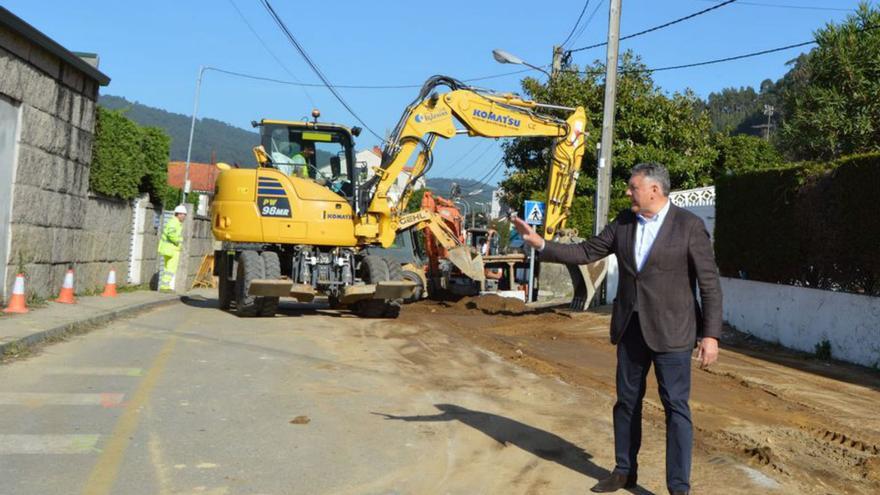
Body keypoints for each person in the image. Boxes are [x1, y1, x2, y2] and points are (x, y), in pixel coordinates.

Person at [513, 163, 722, 495]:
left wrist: (710, 335)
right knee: (626, 403)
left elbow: (709, 284)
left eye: (632, 187)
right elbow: (585, 252)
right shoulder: (623, 224)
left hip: (673, 332)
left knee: (676, 408)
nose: (628, 192)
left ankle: (678, 487)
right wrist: (541, 244)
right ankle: (625, 471)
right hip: (631, 329)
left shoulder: (689, 226)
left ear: (654, 190)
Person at [157, 205, 187, 292]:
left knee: (167, 267)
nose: (184, 216)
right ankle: (165, 286)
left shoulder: (173, 221)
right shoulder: (174, 222)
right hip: (172, 249)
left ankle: (164, 285)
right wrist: (178, 240)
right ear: (179, 214)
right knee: (171, 268)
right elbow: (171, 234)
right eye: (183, 214)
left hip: (168, 249)